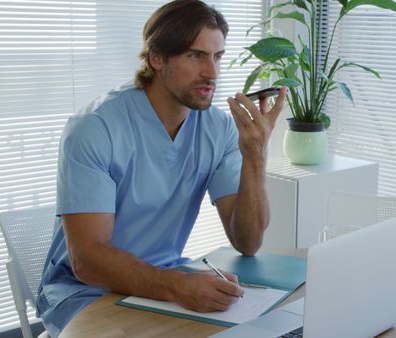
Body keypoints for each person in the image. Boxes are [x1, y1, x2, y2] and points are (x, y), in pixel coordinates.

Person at [36, 0, 286, 336]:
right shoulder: (95, 128)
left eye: (217, 57)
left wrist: (256, 155)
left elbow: (248, 242)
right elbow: (88, 260)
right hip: (85, 293)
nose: (211, 73)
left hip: (164, 281)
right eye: (195, 56)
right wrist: (179, 287)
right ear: (157, 58)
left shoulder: (218, 129)